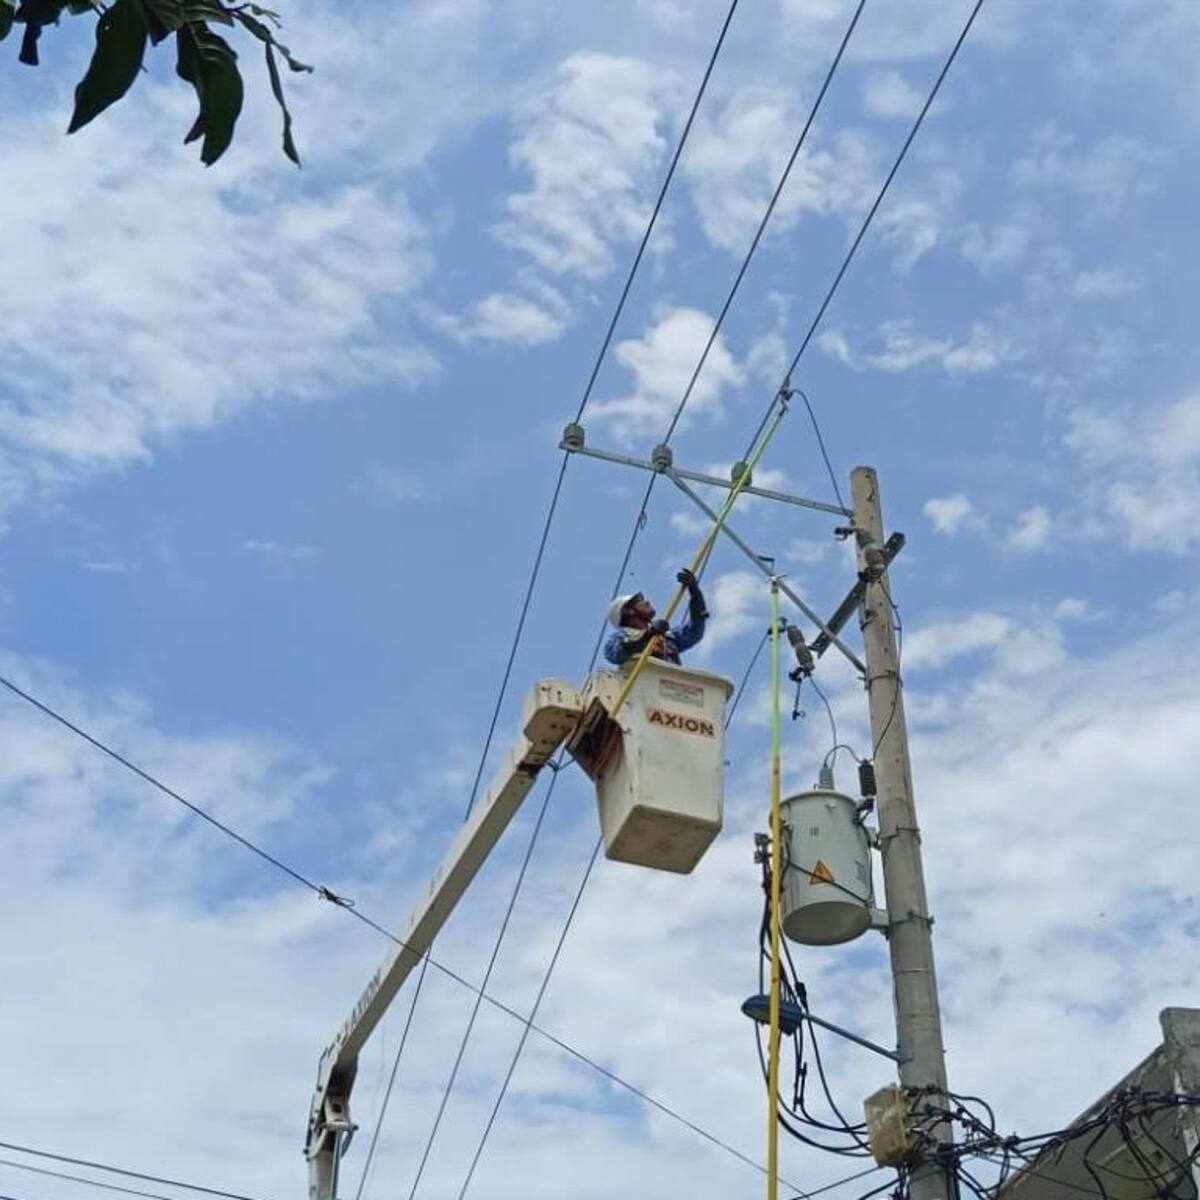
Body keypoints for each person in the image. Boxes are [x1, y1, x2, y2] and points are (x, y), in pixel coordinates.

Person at [603, 568, 708, 667]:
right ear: (629, 611)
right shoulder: (620, 638)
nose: (647, 602)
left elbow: (694, 632)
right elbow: (614, 654)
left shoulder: (667, 637)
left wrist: (695, 592)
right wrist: (648, 635)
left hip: (669, 679)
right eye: (639, 601)